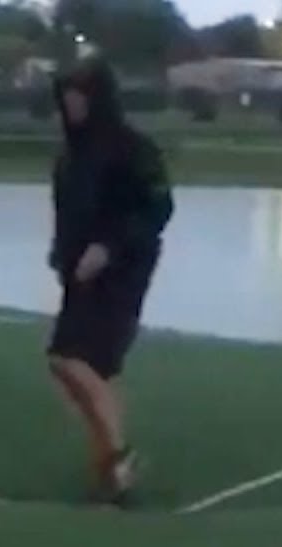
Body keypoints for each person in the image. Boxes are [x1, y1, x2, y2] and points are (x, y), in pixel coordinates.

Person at [45, 56, 174, 507]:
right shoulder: (73, 155)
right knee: (85, 367)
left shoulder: (131, 149)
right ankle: (110, 470)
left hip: (122, 271)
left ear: (98, 98)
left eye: (78, 96)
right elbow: (70, 211)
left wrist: (107, 247)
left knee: (71, 359)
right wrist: (64, 253)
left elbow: (157, 209)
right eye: (66, 97)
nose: (71, 104)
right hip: (79, 271)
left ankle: (119, 457)